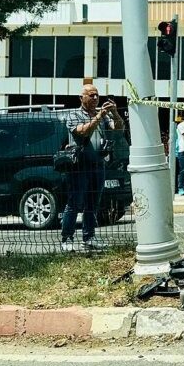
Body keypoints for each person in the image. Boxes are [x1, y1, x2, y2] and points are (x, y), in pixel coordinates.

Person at [61, 84, 124, 251]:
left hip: (98, 164)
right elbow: (83, 132)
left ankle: (89, 238)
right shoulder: (73, 114)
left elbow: (118, 129)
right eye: (91, 95)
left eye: (97, 95)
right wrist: (100, 115)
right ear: (81, 98)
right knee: (74, 203)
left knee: (92, 204)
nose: (95, 98)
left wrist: (115, 113)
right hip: (79, 165)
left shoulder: (101, 115)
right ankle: (67, 239)